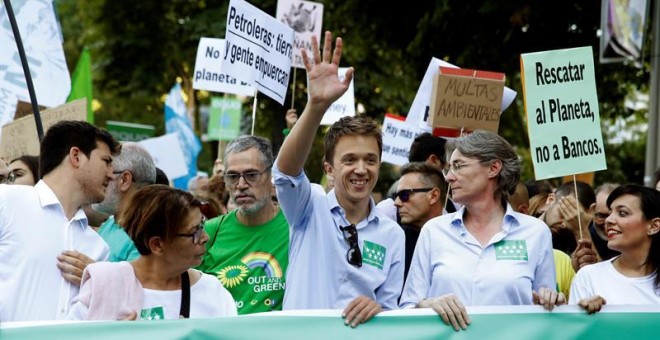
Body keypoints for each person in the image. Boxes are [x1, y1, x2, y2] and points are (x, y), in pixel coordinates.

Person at [274, 32, 405, 328]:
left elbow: (392, 310)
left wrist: (379, 308)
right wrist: (316, 106)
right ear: (329, 168)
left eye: (370, 160)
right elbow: (284, 172)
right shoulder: (308, 208)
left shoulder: (392, 234)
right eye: (349, 160)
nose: (361, 169)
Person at [400, 130, 560, 331]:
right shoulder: (434, 231)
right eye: (449, 168)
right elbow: (407, 307)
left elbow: (547, 311)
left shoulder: (536, 233)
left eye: (458, 166)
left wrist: (552, 300)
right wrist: (426, 305)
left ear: (493, 168)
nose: (449, 177)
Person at [0, 120, 121, 321]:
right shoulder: (6, 203)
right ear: (76, 156)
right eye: (106, 161)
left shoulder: (98, 247)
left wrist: (101, 284)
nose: (111, 174)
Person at [68, 185, 236, 320]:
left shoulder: (212, 292)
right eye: (195, 232)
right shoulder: (104, 286)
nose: (205, 237)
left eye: (202, 225)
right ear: (157, 245)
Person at [197, 136, 289, 315]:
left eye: (251, 175)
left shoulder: (297, 228)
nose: (240, 185)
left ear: (270, 176)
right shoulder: (208, 232)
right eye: (232, 176)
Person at [569, 185, 660, 313]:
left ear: (654, 226)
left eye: (622, 213)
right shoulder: (588, 276)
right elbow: (575, 330)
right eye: (610, 212)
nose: (609, 220)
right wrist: (586, 315)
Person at [93, 142, 157, 262]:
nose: (98, 181)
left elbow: (136, 280)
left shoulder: (148, 233)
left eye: (107, 174)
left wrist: (89, 270)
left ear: (124, 180)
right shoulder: (110, 224)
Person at [377, 133, 452, 221]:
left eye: (404, 195)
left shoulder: (452, 205)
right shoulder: (387, 210)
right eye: (449, 165)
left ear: (434, 196)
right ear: (434, 161)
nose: (398, 202)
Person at [392, 162, 446, 279]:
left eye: (404, 195)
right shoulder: (396, 239)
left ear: (433, 196)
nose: (396, 202)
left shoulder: (459, 237)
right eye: (395, 195)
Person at [589, 183, 620, 260]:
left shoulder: (634, 241)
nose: (608, 221)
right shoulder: (580, 233)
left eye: (619, 215)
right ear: (592, 211)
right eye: (601, 216)